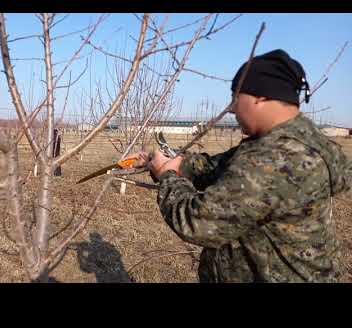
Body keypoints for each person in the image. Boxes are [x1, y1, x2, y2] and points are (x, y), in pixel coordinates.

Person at [131, 49, 351, 282]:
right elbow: (221, 166)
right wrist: (177, 164)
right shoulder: (302, 140)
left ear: (261, 96)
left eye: (236, 98)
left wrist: (168, 177)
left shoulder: (274, 157)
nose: (233, 108)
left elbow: (197, 222)